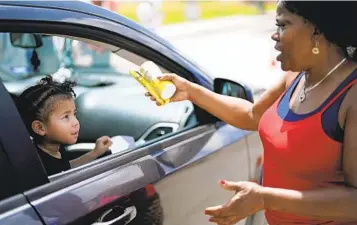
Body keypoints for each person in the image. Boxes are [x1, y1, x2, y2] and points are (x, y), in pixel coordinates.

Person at [146, 1, 357, 224]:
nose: (275, 36)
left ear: (317, 30)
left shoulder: (351, 95)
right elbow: (252, 115)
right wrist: (190, 91)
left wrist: (266, 198)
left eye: (282, 25)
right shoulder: (296, 78)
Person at [17, 75, 112, 176]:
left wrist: (95, 152)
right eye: (66, 117)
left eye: (74, 114)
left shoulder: (56, 148)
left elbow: (65, 169)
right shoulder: (41, 165)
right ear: (40, 128)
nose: (75, 122)